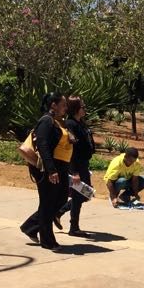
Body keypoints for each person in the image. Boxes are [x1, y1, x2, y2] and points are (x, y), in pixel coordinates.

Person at [20, 92, 76, 250]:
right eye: (63, 104)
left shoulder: (58, 122)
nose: (66, 107)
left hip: (61, 166)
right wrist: (51, 170)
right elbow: (43, 146)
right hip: (49, 167)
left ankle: (30, 226)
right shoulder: (46, 121)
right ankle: (47, 240)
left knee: (60, 199)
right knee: (48, 203)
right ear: (53, 105)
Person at [57, 96, 95, 237]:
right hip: (77, 165)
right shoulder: (70, 124)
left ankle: (60, 213)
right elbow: (71, 150)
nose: (84, 109)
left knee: (86, 194)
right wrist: (74, 172)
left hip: (84, 164)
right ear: (75, 109)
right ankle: (74, 227)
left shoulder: (81, 123)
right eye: (82, 107)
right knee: (81, 195)